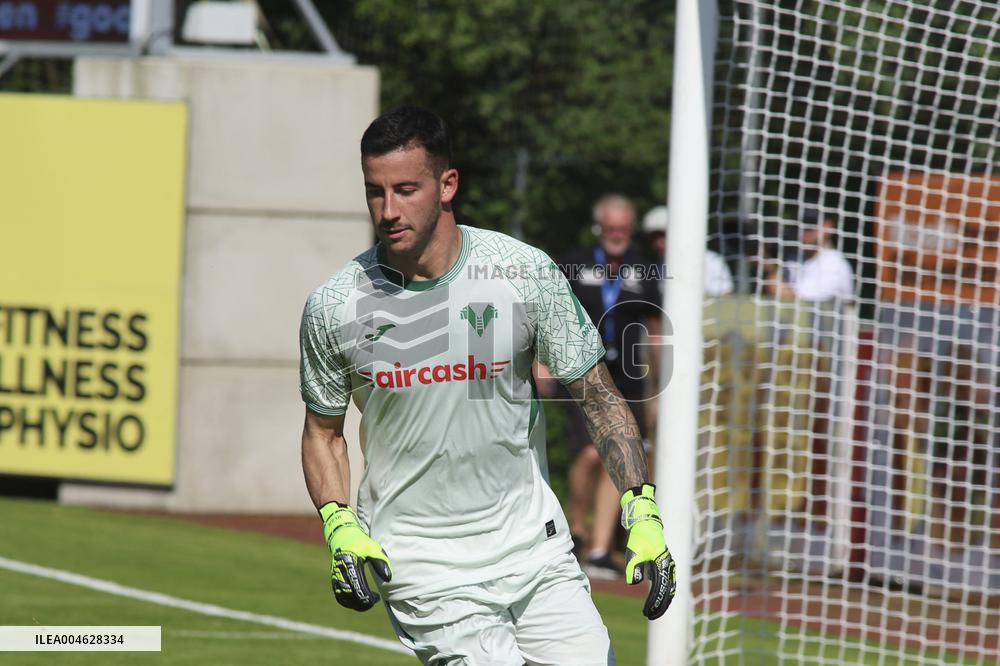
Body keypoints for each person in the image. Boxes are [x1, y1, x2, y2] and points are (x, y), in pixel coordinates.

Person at [299, 107, 676, 665]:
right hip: (420, 559)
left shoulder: (522, 272)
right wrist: (338, 523)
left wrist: (640, 508)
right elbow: (323, 432)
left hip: (534, 546)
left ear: (447, 184)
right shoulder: (336, 304)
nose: (389, 210)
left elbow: (596, 394)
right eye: (375, 192)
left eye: (406, 189)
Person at [557, 195, 663, 580]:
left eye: (625, 228)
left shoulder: (645, 268)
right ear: (599, 227)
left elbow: (655, 328)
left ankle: (600, 550)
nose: (618, 235)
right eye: (611, 227)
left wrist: (658, 388)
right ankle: (576, 528)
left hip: (631, 380)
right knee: (588, 453)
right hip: (583, 371)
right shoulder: (575, 261)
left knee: (617, 457)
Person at [641, 205, 734, 297]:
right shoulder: (657, 268)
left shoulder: (712, 261)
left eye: (663, 235)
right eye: (653, 238)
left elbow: (725, 297)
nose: (658, 243)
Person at [766, 209, 853, 301]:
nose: (804, 232)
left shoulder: (834, 263)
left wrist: (772, 275)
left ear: (828, 226)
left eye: (810, 226)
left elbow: (801, 300)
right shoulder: (793, 259)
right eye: (800, 226)